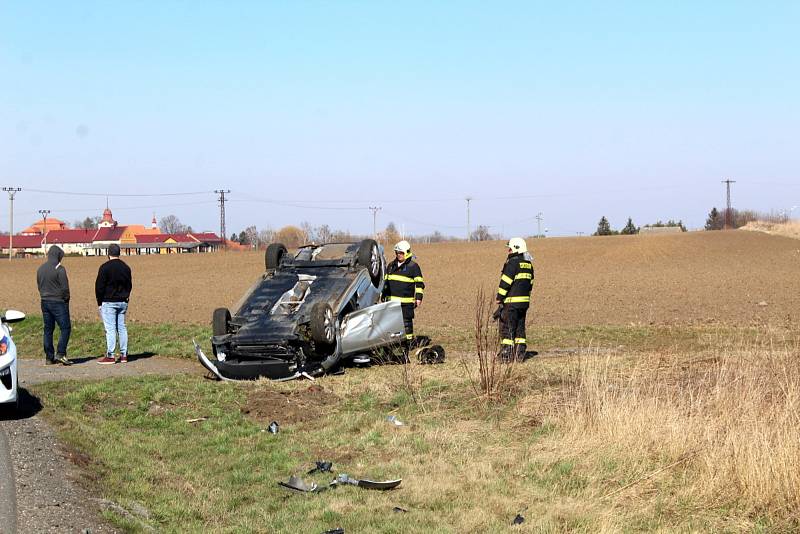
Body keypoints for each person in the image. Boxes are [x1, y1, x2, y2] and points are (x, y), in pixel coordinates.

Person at [382, 240, 425, 352]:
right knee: (392, 323)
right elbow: (385, 282)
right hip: (391, 302)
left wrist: (419, 298)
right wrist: (383, 295)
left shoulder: (413, 266)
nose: (398, 255)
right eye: (397, 252)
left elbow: (419, 283)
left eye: (400, 253)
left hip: (406, 302)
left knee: (407, 323)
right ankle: (394, 344)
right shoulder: (391, 266)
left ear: (407, 252)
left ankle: (408, 344)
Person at [496, 237, 534, 362]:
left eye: (510, 248)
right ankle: (519, 354)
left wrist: (499, 297)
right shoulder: (528, 264)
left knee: (508, 327)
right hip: (524, 303)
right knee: (520, 328)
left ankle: (506, 355)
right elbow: (531, 283)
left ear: (516, 248)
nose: (508, 251)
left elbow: (506, 281)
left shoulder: (512, 263)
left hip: (511, 303)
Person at [95, 244, 132, 364]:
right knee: (122, 327)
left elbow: (99, 286)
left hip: (109, 301)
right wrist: (126, 296)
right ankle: (124, 355)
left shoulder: (104, 267)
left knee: (110, 329)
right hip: (123, 301)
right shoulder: (126, 267)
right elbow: (129, 285)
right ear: (119, 253)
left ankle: (110, 355)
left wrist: (99, 302)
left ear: (108, 253)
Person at [36, 246, 72, 365]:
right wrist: (66, 299)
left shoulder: (40, 268)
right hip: (58, 302)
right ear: (58, 255)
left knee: (48, 329)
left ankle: (49, 357)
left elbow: (39, 285)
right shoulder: (60, 269)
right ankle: (61, 353)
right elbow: (65, 288)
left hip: (44, 301)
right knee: (65, 328)